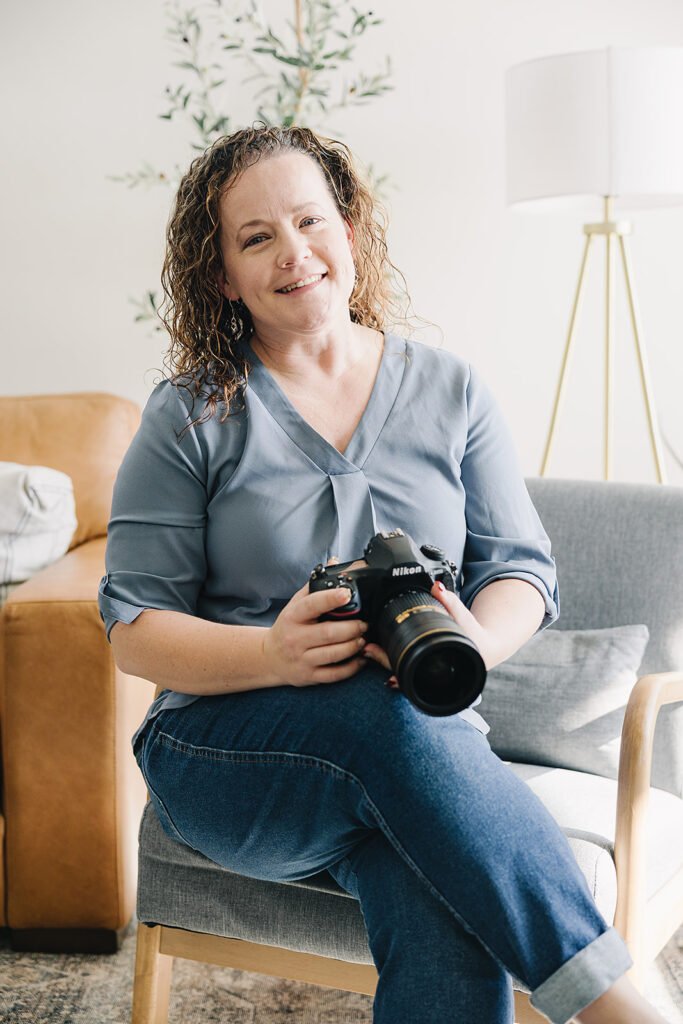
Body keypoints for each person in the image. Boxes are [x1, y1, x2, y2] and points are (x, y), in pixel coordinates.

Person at [99, 124, 670, 1024]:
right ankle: (617, 1004)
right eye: (256, 238)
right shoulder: (192, 413)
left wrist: (473, 639)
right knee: (395, 729)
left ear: (349, 232)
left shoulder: (450, 390)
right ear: (222, 275)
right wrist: (274, 655)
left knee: (434, 878)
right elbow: (135, 631)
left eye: (310, 221)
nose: (294, 254)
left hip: (418, 741)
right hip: (223, 754)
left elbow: (521, 570)